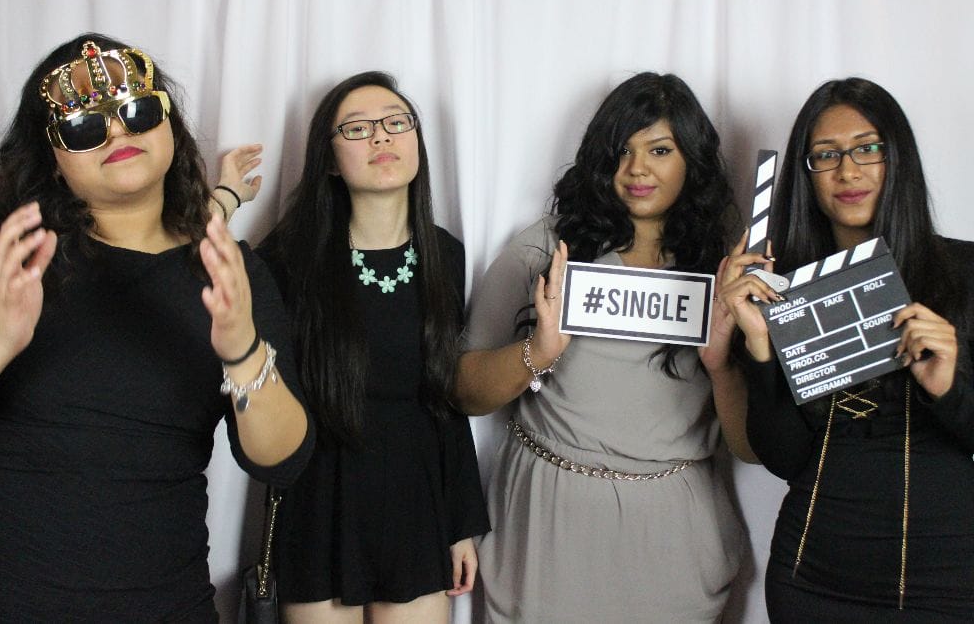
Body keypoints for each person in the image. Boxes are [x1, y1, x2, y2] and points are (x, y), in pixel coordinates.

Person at [0, 33, 313, 622]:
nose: (118, 133)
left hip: (164, 606)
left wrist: (243, 352)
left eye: (137, 111)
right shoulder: (3, 257)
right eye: (84, 127)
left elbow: (282, 461)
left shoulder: (229, 271)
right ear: (52, 159)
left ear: (169, 125)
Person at [456, 72, 755, 623]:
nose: (637, 169)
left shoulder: (724, 270)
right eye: (622, 150)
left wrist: (721, 363)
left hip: (672, 535)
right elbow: (465, 392)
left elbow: (751, 446)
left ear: (691, 160)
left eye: (659, 150)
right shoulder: (545, 250)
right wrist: (538, 352)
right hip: (549, 526)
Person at [720, 77, 974, 620]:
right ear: (806, 174)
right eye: (826, 155)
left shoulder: (965, 273)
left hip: (947, 582)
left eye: (867, 148)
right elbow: (785, 459)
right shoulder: (781, 293)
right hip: (812, 579)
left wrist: (950, 387)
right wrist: (760, 345)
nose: (848, 171)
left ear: (897, 158)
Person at [250, 71, 489, 623]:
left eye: (396, 123)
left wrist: (460, 525)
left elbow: (446, 398)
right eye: (357, 129)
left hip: (417, 503)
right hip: (318, 499)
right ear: (330, 160)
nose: (381, 136)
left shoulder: (446, 255)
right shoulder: (287, 258)